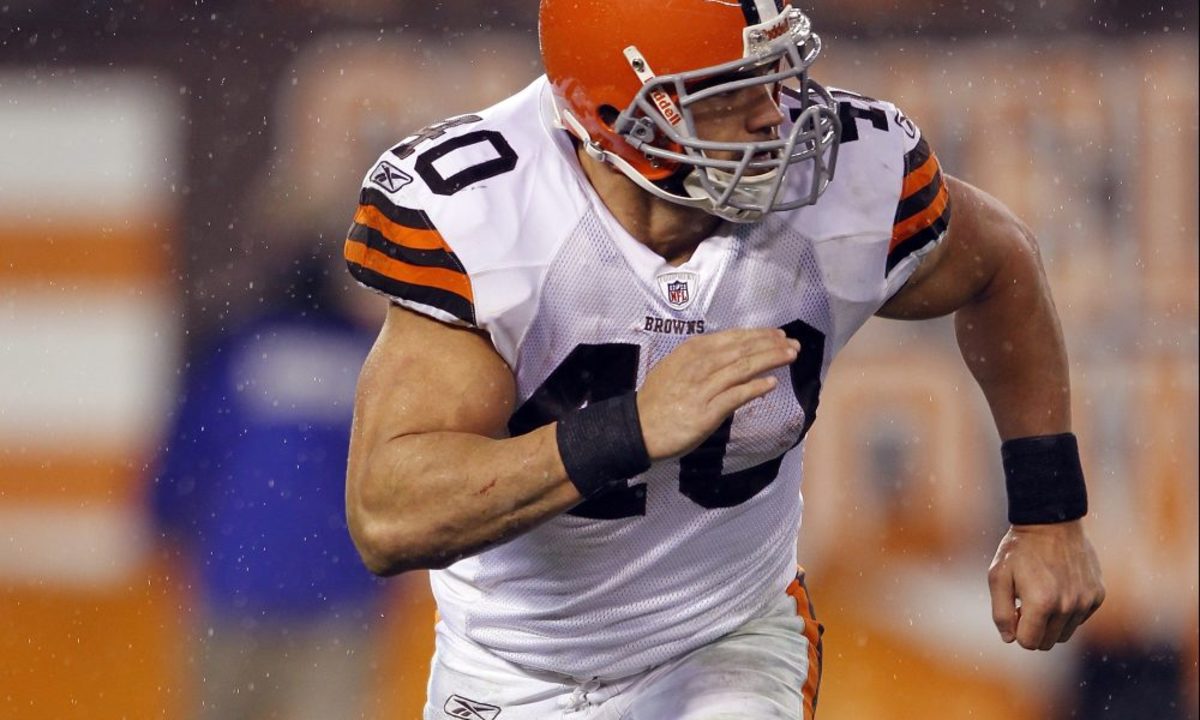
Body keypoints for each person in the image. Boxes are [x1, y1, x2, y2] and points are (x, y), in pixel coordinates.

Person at [341, 1, 1106, 717]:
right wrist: (629, 428)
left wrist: (1048, 514)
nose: (775, 116)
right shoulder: (493, 213)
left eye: (774, 75)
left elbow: (1002, 263)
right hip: (511, 670)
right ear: (615, 114)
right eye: (728, 90)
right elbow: (388, 515)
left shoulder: (841, 180)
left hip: (730, 638)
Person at [151, 250, 387, 720]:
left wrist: (161, 524)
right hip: (338, 590)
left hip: (237, 584)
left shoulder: (237, 352)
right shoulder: (369, 364)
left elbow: (184, 462)